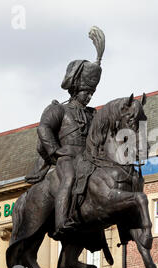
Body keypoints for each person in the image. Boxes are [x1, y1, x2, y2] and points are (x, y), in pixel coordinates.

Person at [26, 57, 102, 240]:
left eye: (92, 92)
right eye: (86, 91)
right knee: (69, 178)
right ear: (76, 90)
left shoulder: (92, 114)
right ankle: (61, 222)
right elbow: (44, 128)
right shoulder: (58, 110)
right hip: (66, 159)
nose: (89, 96)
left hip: (88, 159)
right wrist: (54, 150)